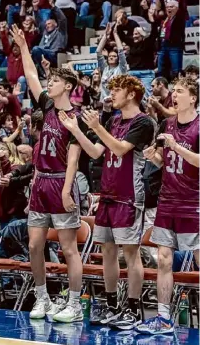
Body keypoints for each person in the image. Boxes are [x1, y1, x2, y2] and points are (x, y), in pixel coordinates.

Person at [59, 74, 155, 330]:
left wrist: (98, 127)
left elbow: (121, 148)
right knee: (108, 252)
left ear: (132, 94)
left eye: (117, 90)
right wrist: (76, 130)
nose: (111, 94)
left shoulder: (143, 122)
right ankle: (112, 304)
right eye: (111, 90)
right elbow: (95, 152)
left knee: (131, 254)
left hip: (129, 196)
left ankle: (133, 309)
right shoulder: (113, 120)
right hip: (108, 194)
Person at [11, 25, 85, 323]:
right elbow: (30, 77)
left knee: (68, 248)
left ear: (68, 86)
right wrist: (24, 46)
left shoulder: (78, 117)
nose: (49, 84)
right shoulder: (48, 106)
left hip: (60, 183)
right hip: (40, 181)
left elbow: (74, 159)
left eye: (54, 81)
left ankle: (75, 303)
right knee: (33, 245)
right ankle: (42, 297)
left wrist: (67, 190)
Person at [138, 78, 199, 335]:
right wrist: (155, 157)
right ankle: (163, 318)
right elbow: (166, 161)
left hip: (193, 203)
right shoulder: (167, 124)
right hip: (167, 200)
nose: (174, 95)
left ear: (193, 98)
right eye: (173, 91)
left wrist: (175, 146)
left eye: (180, 91)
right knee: (163, 260)